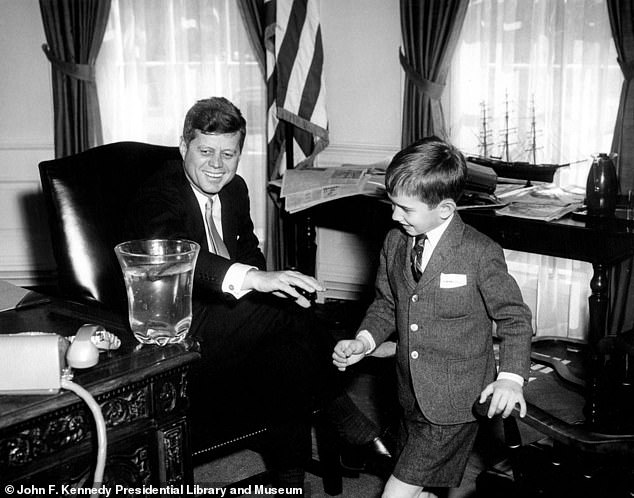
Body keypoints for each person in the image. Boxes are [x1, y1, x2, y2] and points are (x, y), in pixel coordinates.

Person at [124, 96, 383, 489]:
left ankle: (291, 478)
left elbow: (248, 253)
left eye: (229, 154)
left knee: (287, 342)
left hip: (237, 322)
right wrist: (258, 281)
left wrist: (272, 284)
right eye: (206, 151)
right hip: (180, 326)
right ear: (183, 147)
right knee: (287, 318)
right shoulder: (157, 192)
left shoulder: (234, 190)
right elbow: (173, 261)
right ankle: (345, 417)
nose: (217, 164)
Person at [332, 137, 533, 498]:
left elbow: (515, 318)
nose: (394, 216)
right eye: (393, 205)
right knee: (420, 487)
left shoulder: (478, 253)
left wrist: (511, 379)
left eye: (405, 209)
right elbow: (386, 304)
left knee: (396, 491)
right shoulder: (395, 242)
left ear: (445, 209)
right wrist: (364, 340)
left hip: (456, 402)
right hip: (408, 394)